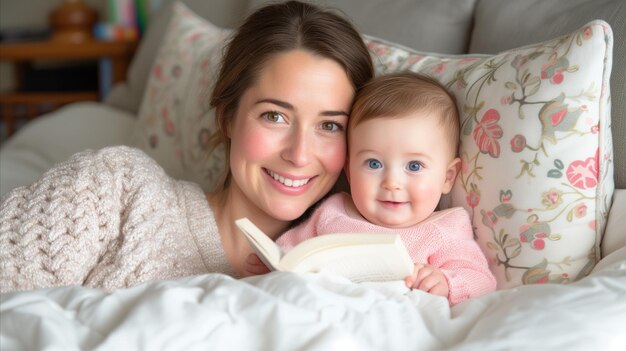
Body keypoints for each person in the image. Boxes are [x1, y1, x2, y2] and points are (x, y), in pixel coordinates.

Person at [0, 1, 374, 293]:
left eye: (329, 125)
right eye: (275, 116)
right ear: (228, 116)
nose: (299, 154)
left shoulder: (355, 271)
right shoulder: (114, 189)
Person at [246, 72, 496, 305]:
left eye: (414, 166)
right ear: (349, 170)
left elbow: (481, 281)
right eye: (373, 163)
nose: (392, 182)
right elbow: (294, 251)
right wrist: (274, 265)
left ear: (447, 177)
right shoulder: (334, 212)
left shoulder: (444, 230)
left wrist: (445, 283)